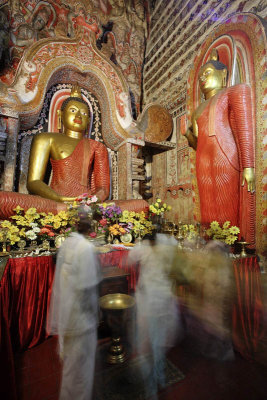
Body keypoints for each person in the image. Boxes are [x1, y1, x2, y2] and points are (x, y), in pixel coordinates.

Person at [0, 84, 148, 218]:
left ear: (88, 121)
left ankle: (79, 212)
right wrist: (60, 199)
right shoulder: (46, 139)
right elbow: (33, 182)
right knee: (4, 200)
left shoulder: (97, 146)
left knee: (141, 205)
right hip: (54, 202)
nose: (78, 116)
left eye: (84, 114)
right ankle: (70, 211)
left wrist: (91, 201)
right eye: (73, 110)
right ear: (60, 115)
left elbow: (103, 188)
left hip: (88, 204)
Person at [183, 49, 255, 244]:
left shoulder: (234, 92)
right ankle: (211, 245)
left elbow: (244, 128)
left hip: (225, 154)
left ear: (223, 74)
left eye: (207, 73)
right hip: (203, 159)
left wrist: (248, 166)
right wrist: (188, 134)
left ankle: (229, 246)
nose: (202, 79)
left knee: (225, 200)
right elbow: (198, 143)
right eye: (200, 77)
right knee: (208, 204)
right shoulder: (197, 110)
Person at [47, 208, 101, 400]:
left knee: (71, 370)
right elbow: (88, 289)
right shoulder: (85, 248)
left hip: (66, 315)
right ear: (88, 224)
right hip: (81, 319)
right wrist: (97, 315)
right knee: (81, 372)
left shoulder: (67, 243)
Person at [128, 233, 181, 399]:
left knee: (149, 344)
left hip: (151, 301)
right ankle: (159, 377)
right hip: (163, 299)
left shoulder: (143, 248)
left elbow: (128, 260)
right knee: (157, 342)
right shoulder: (168, 246)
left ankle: (151, 386)